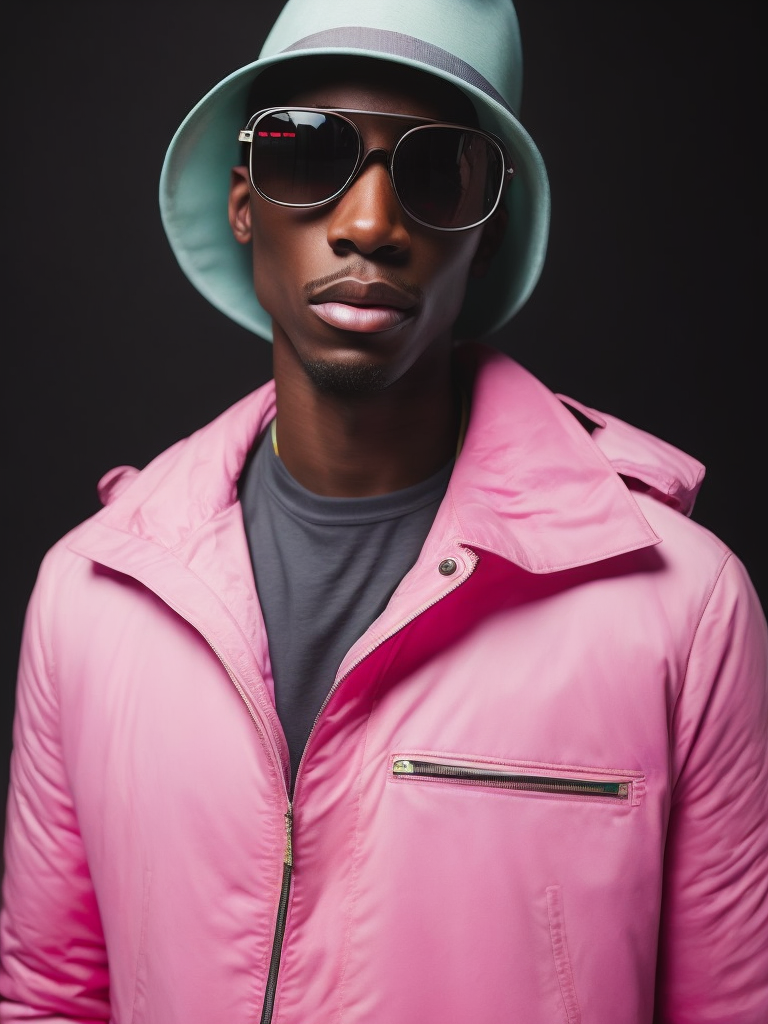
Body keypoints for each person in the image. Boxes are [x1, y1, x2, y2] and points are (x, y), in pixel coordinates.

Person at [1, 0, 766, 1020]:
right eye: (308, 154)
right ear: (243, 201)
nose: (368, 224)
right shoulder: (89, 598)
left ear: (488, 234)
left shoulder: (685, 610)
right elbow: (51, 998)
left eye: (438, 170)